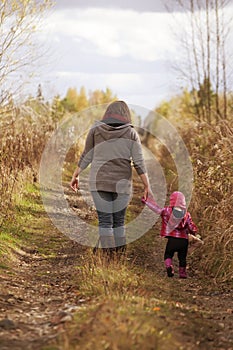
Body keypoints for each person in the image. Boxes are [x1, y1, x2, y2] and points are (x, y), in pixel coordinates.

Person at [70, 100, 149, 255]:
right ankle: (118, 256)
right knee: (119, 222)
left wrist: (76, 174)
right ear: (126, 115)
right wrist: (147, 186)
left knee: (105, 221)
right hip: (123, 185)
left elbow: (87, 154)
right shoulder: (131, 133)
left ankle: (106, 256)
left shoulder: (95, 130)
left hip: (99, 183)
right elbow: (139, 163)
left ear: (107, 113)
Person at [142, 191, 198, 278]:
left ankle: (169, 266)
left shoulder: (167, 211)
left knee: (168, 254)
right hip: (184, 240)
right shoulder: (186, 214)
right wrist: (194, 231)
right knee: (182, 258)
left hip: (172, 240)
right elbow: (191, 227)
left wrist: (147, 201)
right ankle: (182, 273)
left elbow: (156, 209)